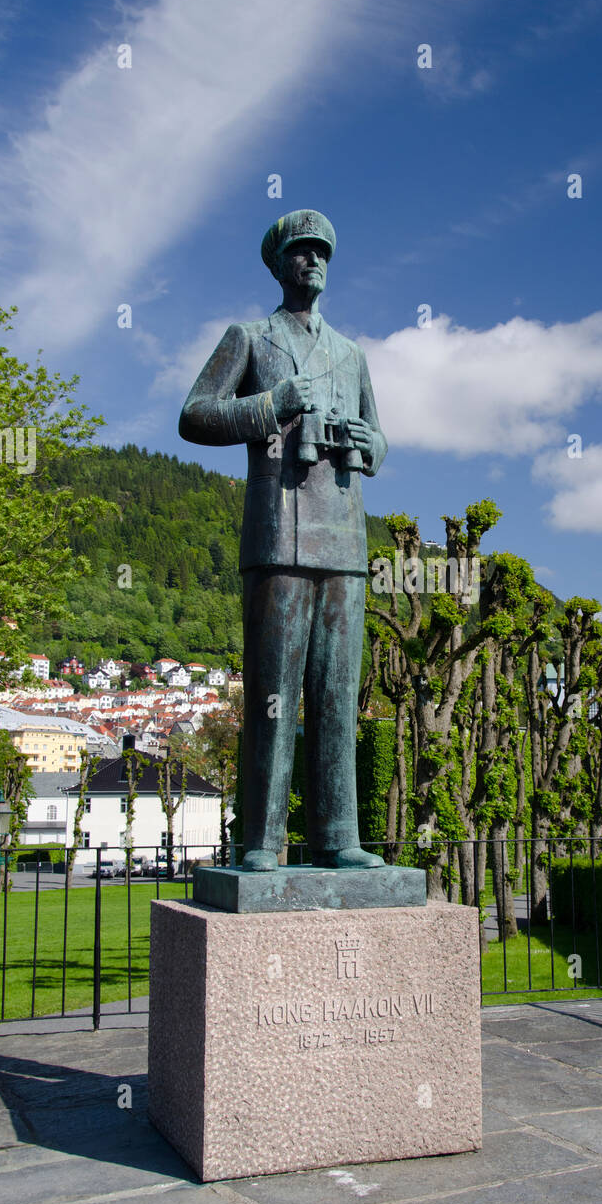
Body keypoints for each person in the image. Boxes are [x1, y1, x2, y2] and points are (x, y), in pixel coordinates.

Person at [179, 209, 387, 870]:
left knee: (335, 698)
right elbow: (195, 416)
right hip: (277, 535)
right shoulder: (249, 337)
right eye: (300, 252)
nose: (313, 261)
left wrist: (366, 443)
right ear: (276, 264)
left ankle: (339, 837)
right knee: (274, 697)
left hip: (344, 541)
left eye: (321, 252)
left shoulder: (351, 355)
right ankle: (261, 841)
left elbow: (380, 439)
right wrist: (273, 403)